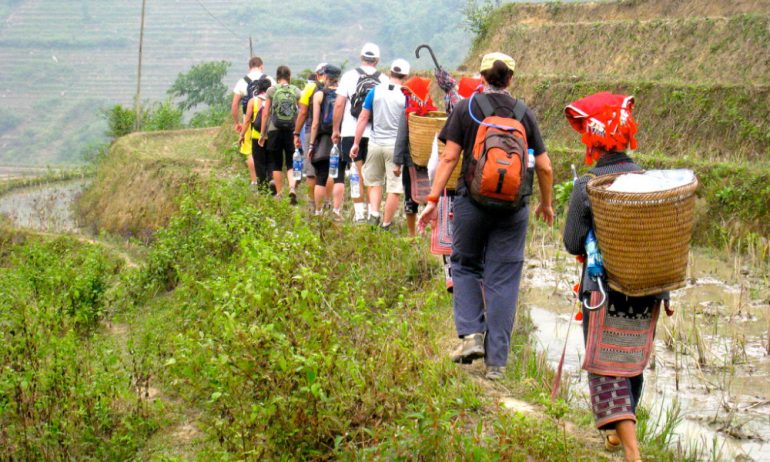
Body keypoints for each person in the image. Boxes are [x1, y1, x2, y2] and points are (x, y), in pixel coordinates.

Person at [417, 52, 554, 380]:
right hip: (513, 208)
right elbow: (545, 166)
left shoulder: (467, 108)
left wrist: (432, 199)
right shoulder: (524, 114)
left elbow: (449, 157)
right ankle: (497, 364)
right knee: (503, 279)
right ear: (511, 79)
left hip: (472, 203)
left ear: (482, 77)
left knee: (464, 264)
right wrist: (546, 203)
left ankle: (471, 335)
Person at [562, 91, 669, 462]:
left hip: (602, 291)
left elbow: (571, 241)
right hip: (648, 289)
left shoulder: (587, 186)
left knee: (606, 366)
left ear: (592, 140)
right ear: (626, 135)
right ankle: (619, 434)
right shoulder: (652, 185)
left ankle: (631, 451)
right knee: (631, 359)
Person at [332, 42, 389, 223]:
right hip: (376, 134)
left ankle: (359, 215)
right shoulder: (384, 80)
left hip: (350, 131)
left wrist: (336, 129)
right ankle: (374, 213)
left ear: (361, 58)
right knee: (373, 175)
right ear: (377, 60)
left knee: (356, 173)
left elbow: (339, 104)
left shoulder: (349, 76)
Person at [351, 59, 410, 229]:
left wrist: (356, 143)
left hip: (375, 143)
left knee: (374, 181)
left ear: (390, 72)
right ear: (405, 75)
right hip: (395, 147)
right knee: (394, 187)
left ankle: (374, 213)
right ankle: (386, 223)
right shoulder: (405, 95)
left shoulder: (375, 91)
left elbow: (363, 117)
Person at [259, 65, 302, 204]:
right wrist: (297, 131)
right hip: (290, 129)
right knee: (290, 161)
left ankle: (279, 193)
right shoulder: (295, 90)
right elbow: (301, 112)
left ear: (277, 77)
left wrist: (262, 133)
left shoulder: (271, 90)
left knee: (276, 162)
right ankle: (292, 188)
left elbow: (266, 113)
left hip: (274, 129)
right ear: (289, 77)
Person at [306, 65, 342, 217]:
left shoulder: (319, 95)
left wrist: (311, 145)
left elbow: (314, 123)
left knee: (321, 176)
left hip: (322, 140)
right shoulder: (343, 95)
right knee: (338, 176)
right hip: (339, 139)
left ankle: (318, 211)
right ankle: (336, 210)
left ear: (325, 77)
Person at [295, 63, 328, 210]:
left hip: (310, 131)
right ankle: (327, 202)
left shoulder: (310, 88)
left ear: (317, 74)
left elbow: (302, 112)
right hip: (329, 133)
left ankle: (312, 204)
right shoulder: (336, 88)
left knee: (310, 171)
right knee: (329, 169)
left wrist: (296, 132)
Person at [238, 76, 273, 188]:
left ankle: (262, 188)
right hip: (272, 136)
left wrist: (242, 135)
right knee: (271, 161)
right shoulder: (272, 100)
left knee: (259, 163)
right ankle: (272, 181)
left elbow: (247, 120)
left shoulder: (253, 101)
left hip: (257, 136)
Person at [231, 57, 274, 134]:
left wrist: (237, 123)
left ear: (249, 67)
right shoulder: (270, 79)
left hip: (247, 123)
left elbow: (234, 104)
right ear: (262, 66)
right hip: (267, 122)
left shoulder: (242, 82)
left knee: (249, 145)